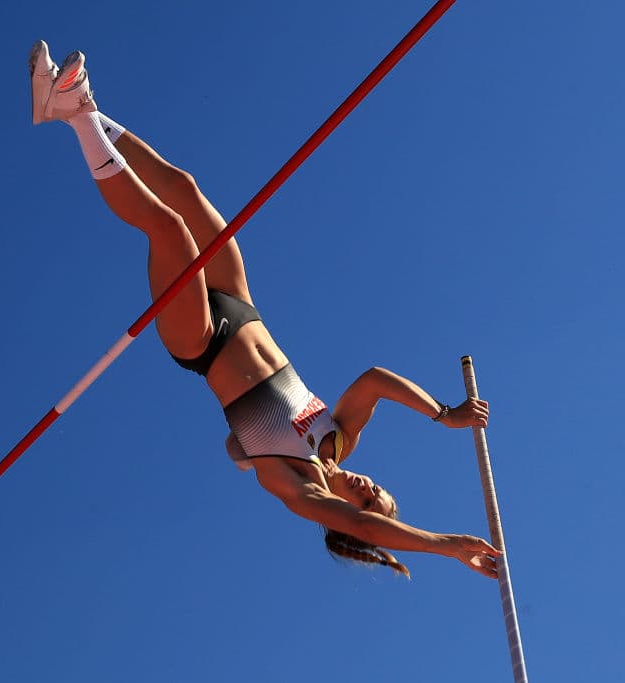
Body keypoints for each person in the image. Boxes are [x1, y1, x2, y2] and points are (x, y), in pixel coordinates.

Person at [29, 41, 500, 579]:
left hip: (201, 341)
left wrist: (444, 543)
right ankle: (77, 109)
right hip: (242, 309)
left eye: (370, 505)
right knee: (185, 190)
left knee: (169, 229)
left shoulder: (297, 489)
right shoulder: (341, 436)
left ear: (349, 517)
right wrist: (443, 415)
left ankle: (73, 114)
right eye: (383, 494)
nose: (372, 492)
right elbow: (375, 381)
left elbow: (370, 531)